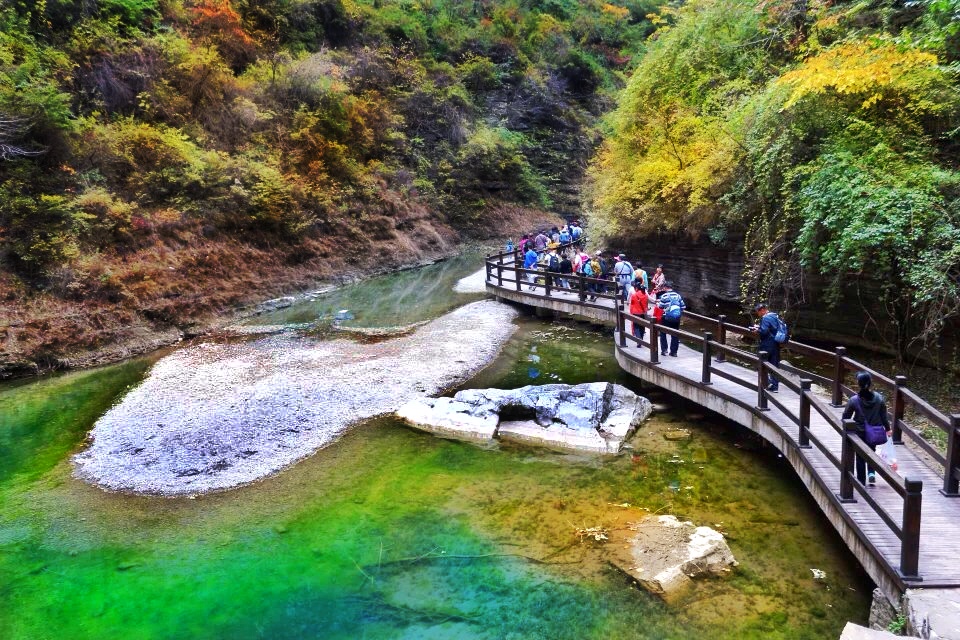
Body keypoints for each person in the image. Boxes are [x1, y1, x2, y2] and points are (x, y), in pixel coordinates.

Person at [842, 372, 891, 487]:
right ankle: (871, 473)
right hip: (874, 433)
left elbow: (845, 417)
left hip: (859, 433)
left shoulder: (854, 400)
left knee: (860, 457)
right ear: (870, 383)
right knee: (871, 452)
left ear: (858, 384)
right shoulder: (879, 398)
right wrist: (888, 429)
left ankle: (861, 482)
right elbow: (884, 417)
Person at [751, 303, 782, 392]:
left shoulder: (765, 318)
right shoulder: (774, 316)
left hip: (767, 344)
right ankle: (775, 387)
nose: (758, 314)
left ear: (762, 310)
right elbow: (772, 329)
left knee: (760, 364)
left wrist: (757, 330)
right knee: (774, 365)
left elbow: (764, 331)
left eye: (758, 312)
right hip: (776, 344)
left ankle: (767, 383)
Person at [656, 281, 685, 357]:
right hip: (676, 318)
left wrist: (658, 304)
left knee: (663, 333)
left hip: (666, 318)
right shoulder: (678, 296)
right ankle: (674, 352)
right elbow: (683, 307)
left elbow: (661, 307)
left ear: (665, 287)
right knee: (675, 334)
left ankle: (664, 350)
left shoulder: (664, 296)